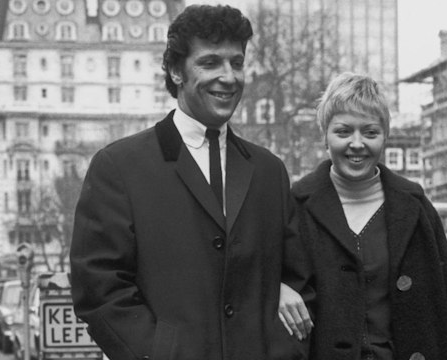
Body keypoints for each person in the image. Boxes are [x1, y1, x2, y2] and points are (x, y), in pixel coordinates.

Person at [70, 5, 312, 360]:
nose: (229, 77)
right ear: (175, 70)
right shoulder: (119, 166)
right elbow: (99, 288)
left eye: (237, 62)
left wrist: (282, 350)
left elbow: (298, 280)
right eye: (210, 62)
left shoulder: (268, 171)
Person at [279, 73, 447, 360]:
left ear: (385, 137)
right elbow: (259, 274)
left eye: (370, 133)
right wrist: (277, 289)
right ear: (324, 136)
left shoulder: (415, 205)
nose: (357, 144)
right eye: (343, 132)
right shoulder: (296, 204)